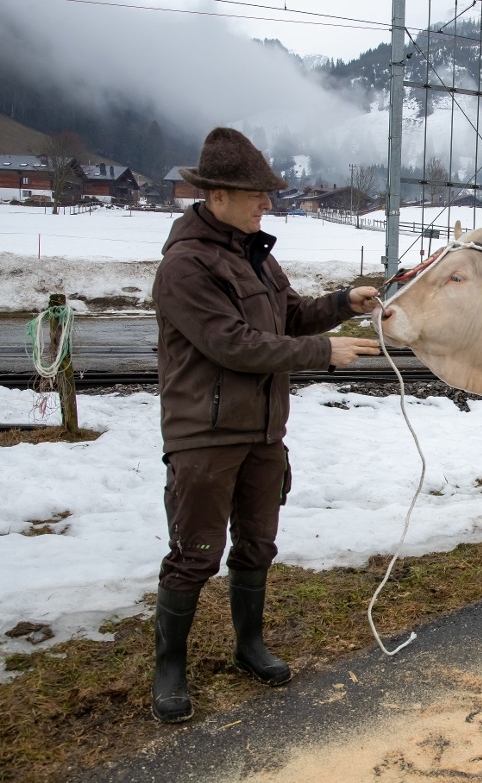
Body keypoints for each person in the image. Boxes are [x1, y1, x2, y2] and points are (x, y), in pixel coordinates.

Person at [150, 126, 381, 723]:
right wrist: (324, 353)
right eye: (257, 194)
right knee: (195, 554)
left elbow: (289, 316)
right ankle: (169, 668)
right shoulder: (184, 266)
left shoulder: (254, 255)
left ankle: (248, 647)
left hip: (263, 434)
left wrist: (341, 304)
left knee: (257, 546)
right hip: (204, 437)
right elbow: (233, 344)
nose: (267, 203)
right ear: (218, 195)